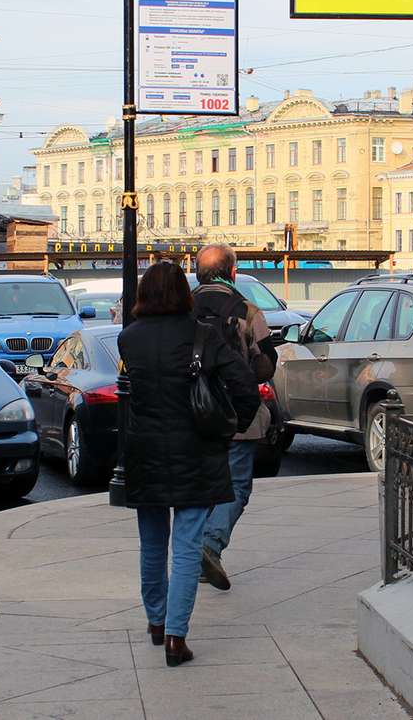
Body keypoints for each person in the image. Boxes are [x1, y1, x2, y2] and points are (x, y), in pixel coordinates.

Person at [118, 261, 260, 667]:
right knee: (186, 547)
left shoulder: (129, 339)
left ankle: (156, 623)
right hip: (196, 451)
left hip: (145, 452)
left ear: (145, 294)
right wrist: (236, 425)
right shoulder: (203, 335)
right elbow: (245, 385)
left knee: (151, 544)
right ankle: (176, 640)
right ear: (184, 293)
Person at [191, 245, 277, 592]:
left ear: (198, 273)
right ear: (232, 273)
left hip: (193, 414)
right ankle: (210, 545)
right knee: (237, 485)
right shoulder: (246, 310)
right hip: (236, 414)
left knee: (200, 487)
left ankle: (194, 552)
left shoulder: (183, 308)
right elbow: (265, 364)